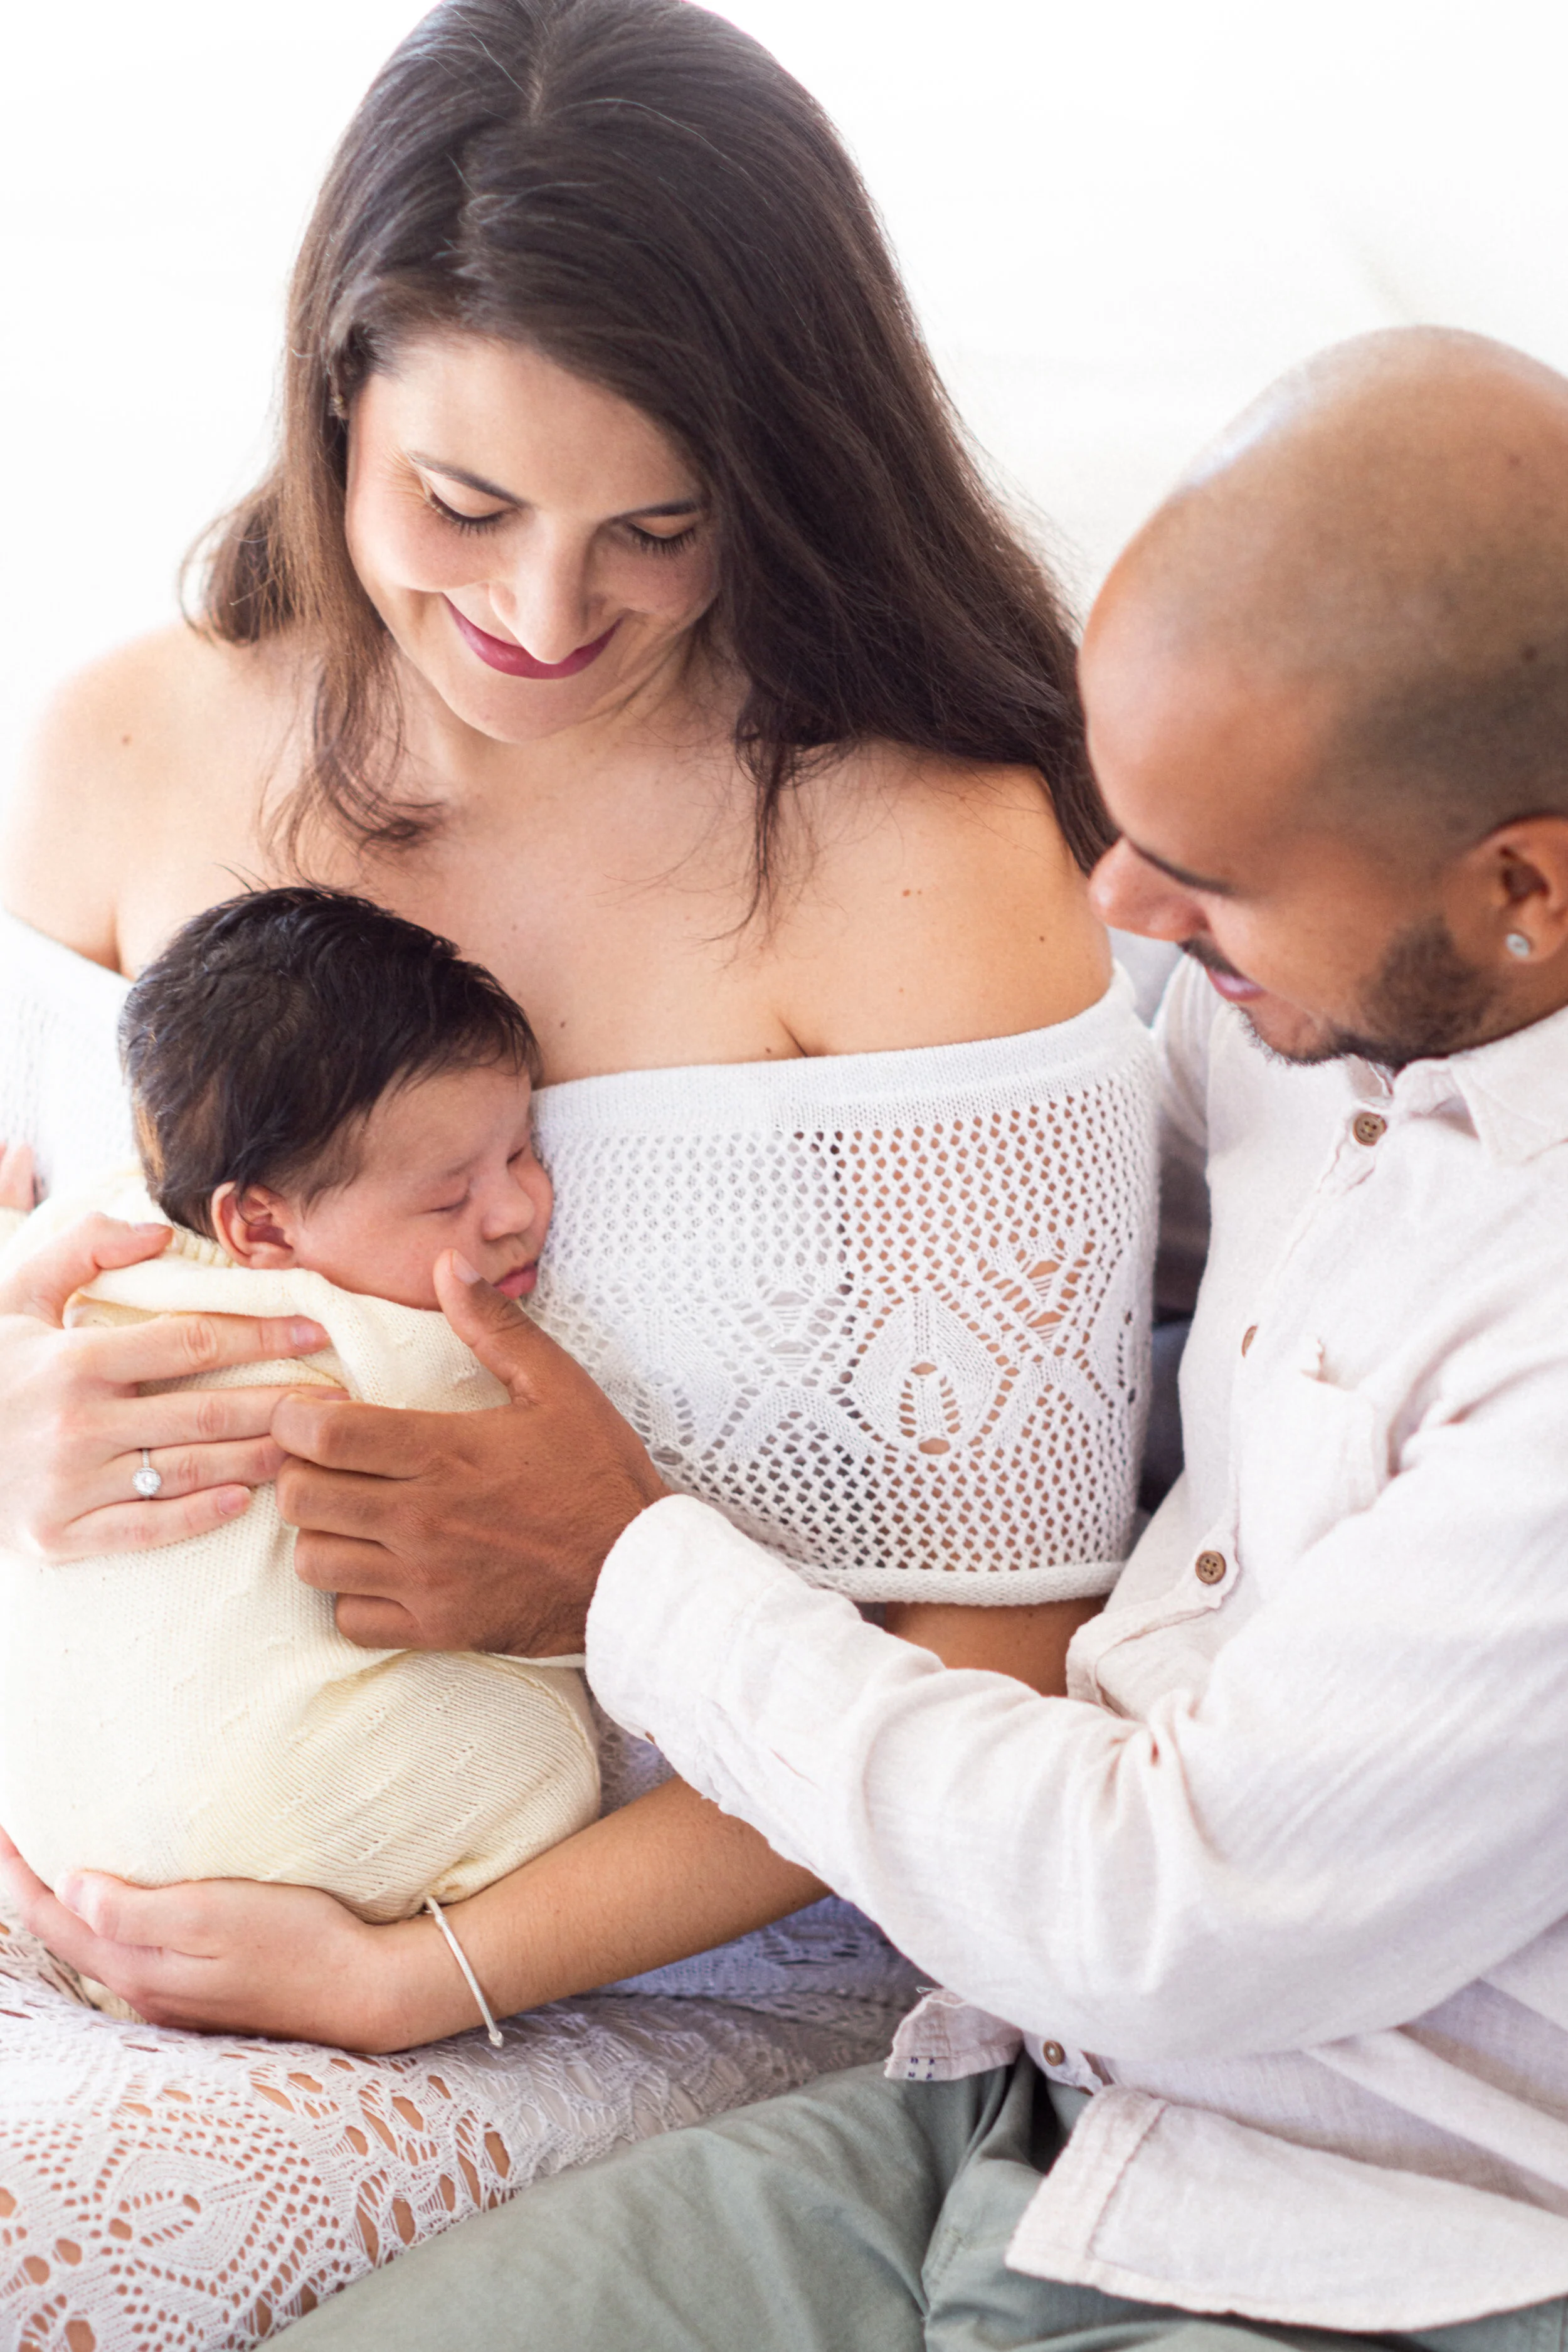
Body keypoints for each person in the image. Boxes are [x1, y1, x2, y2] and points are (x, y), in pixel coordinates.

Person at [55, 320, 1565, 2346]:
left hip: (1386, 2223)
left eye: (1204, 888)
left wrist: (616, 1568)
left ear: (1525, 890)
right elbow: (1015, 1215)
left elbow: (1154, 1909)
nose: (1120, 908)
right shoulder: (1331, 1013)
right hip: (1010, 2100)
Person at [0, 0, 1156, 2341]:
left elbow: (996, 1671)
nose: (542, 615)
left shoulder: (918, 863)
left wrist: (401, 1974)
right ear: (333, 398)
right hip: (101, 1821)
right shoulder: (131, 742)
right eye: (460, 506)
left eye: (659, 525)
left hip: (652, 1944)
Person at [0, 887, 608, 1952]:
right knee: (552, 1753)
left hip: (59, 1826)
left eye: (520, 1149)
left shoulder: (94, 1233)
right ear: (262, 1223)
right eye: (448, 1194)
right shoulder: (407, 1342)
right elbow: (549, 1497)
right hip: (296, 1835)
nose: (515, 1209)